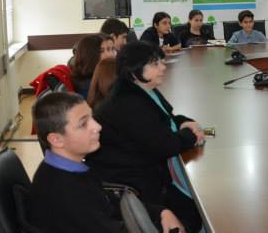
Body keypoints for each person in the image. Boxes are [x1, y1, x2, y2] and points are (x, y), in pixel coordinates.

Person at [87, 42, 205, 233]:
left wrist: (184, 122)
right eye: (155, 64)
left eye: (161, 61)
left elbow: (165, 119)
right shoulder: (127, 102)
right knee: (197, 209)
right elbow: (165, 145)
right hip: (135, 184)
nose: (163, 67)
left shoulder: (142, 89)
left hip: (145, 170)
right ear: (134, 71)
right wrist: (191, 135)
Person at [28, 91, 184, 233]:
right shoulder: (66, 193)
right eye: (83, 124)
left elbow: (108, 202)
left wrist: (160, 212)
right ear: (56, 139)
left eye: (92, 117)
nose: (97, 126)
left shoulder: (72, 168)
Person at [71, 34, 115, 99]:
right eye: (101, 51)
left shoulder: (103, 75)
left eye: (112, 49)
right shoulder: (86, 85)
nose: (111, 54)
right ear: (89, 55)